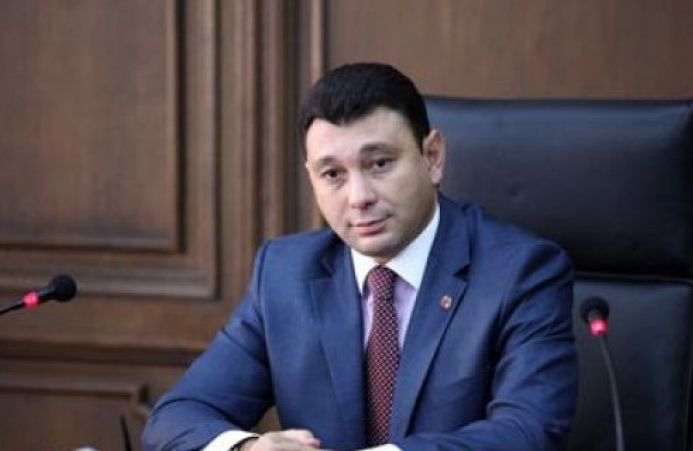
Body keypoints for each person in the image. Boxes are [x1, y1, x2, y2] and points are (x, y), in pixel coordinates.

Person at [142, 62, 577, 451]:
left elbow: (527, 431)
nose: (358, 197)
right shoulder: (284, 274)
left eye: (380, 164)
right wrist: (248, 448)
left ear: (432, 157)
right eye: (333, 173)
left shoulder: (520, 272)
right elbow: (178, 416)